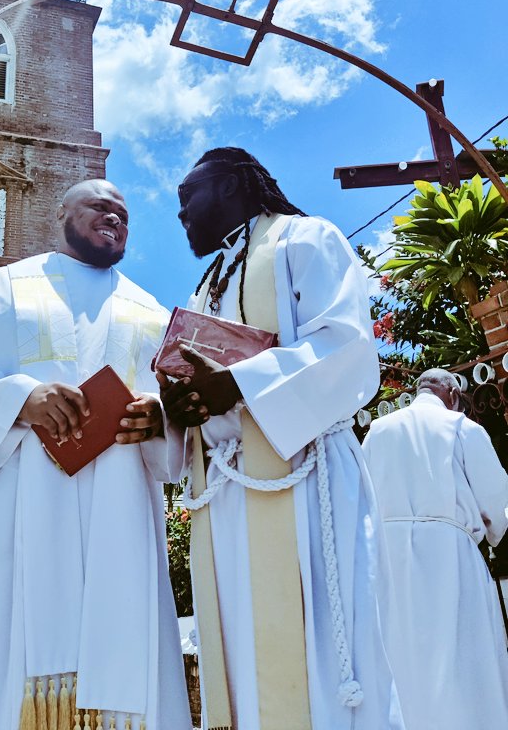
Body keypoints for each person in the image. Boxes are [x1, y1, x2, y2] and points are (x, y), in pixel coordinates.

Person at [0, 179, 192, 730]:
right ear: (60, 214)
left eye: (124, 214)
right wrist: (20, 399)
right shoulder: (1, 289)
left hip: (120, 509)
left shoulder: (150, 312)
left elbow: (174, 409)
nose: (115, 219)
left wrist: (159, 418)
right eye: (100, 207)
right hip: (12, 501)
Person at [159, 147, 404, 730]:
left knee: (322, 654)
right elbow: (206, 389)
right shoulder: (207, 284)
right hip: (228, 493)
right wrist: (180, 405)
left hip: (306, 480)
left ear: (230, 186)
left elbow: (344, 346)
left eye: (186, 196)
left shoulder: (304, 240)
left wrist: (237, 385)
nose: (181, 214)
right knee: (240, 653)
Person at [362, 367, 508, 729]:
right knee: (463, 671)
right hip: (451, 558)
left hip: (387, 564)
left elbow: (360, 501)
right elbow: (498, 508)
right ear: (454, 396)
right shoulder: (462, 428)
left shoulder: (377, 432)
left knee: (403, 669)